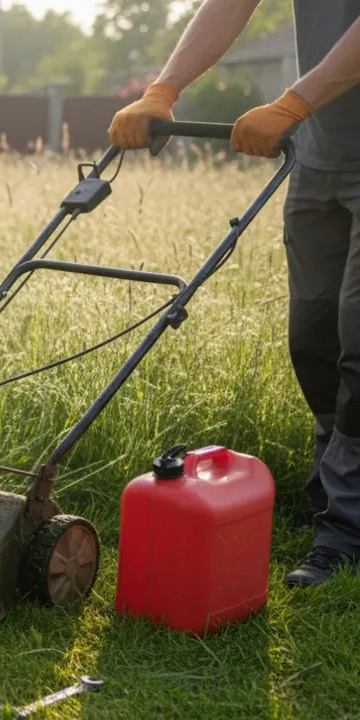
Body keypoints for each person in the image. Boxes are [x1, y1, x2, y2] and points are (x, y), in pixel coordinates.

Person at [109, 0, 360, 587]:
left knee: (359, 337)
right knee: (314, 337)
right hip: (321, 159)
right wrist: (163, 90)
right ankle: (332, 495)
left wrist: (293, 103)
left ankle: (346, 531)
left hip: (321, 128)